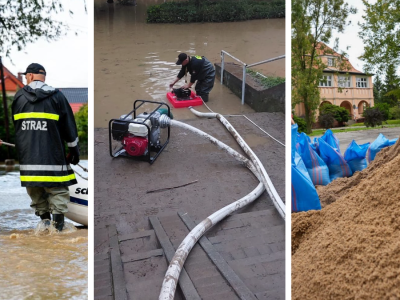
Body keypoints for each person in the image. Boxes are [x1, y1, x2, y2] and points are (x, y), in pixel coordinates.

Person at [12, 63, 80, 231]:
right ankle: (57, 232)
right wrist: (74, 151)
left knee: (37, 196)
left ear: (29, 76)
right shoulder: (57, 96)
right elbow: (69, 127)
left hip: (28, 160)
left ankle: (44, 228)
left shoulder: (18, 97)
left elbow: (17, 128)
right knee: (58, 192)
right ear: (43, 77)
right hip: (53, 158)